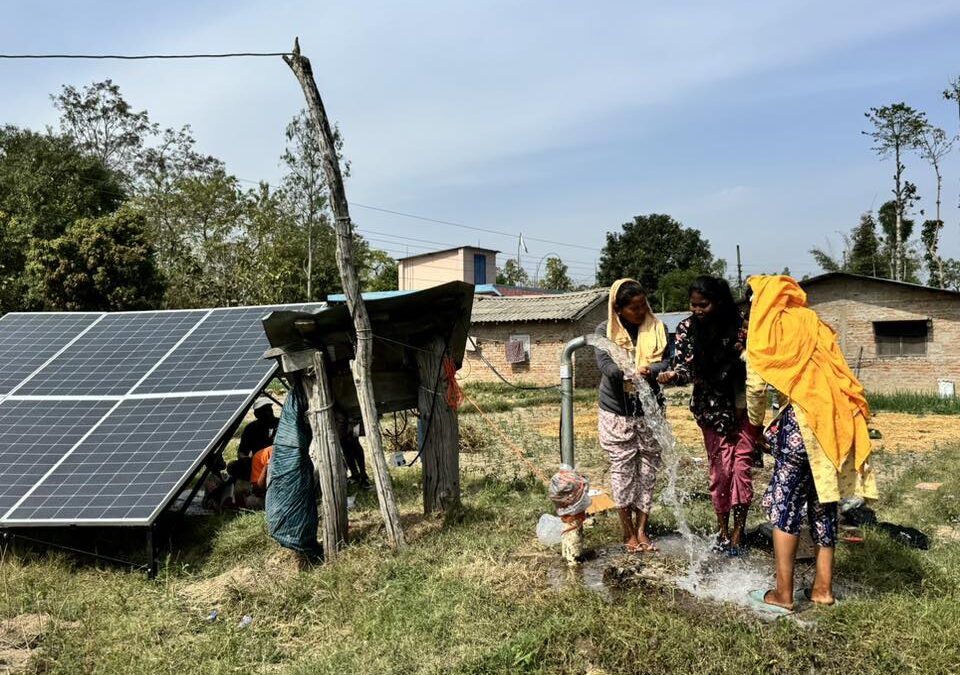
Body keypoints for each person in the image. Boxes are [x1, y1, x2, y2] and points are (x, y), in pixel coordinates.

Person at [743, 275, 877, 612]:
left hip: (803, 425)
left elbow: (756, 388)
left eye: (752, 301)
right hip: (836, 421)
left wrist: (755, 425)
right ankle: (822, 589)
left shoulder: (766, 331)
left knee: (784, 505)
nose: (750, 308)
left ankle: (783, 595)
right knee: (824, 503)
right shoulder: (811, 321)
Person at [657, 276, 755, 553]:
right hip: (710, 407)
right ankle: (723, 531)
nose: (698, 310)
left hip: (744, 404)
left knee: (741, 468)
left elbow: (751, 364)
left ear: (719, 302)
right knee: (721, 471)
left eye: (705, 304)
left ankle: (739, 532)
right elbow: (686, 368)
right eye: (694, 304)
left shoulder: (740, 325)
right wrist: (673, 375)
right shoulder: (687, 328)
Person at [595, 278, 670, 553]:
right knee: (623, 471)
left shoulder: (656, 327)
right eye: (634, 308)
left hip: (650, 410)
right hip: (618, 412)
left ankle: (642, 529)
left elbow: (665, 360)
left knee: (649, 470)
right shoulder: (605, 330)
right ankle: (628, 532)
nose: (641, 312)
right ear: (618, 308)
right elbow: (604, 365)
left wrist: (651, 369)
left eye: (643, 306)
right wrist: (627, 371)